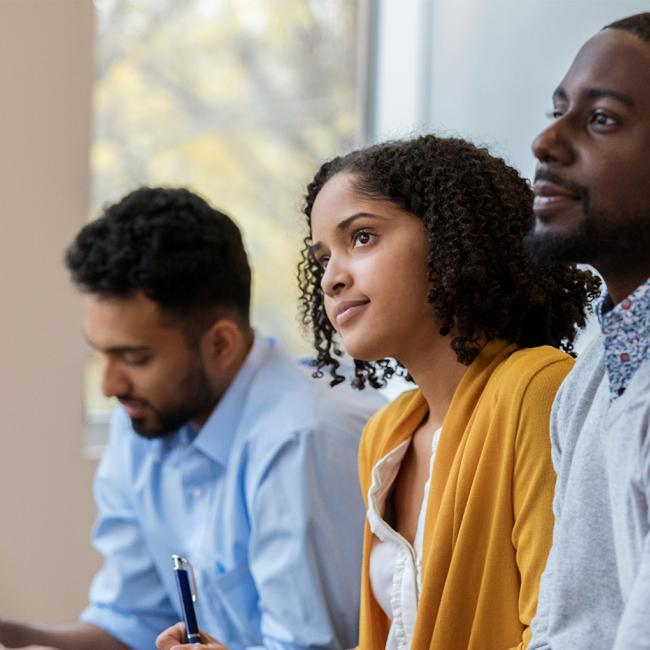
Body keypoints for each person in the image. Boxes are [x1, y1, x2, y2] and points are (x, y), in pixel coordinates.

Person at [157, 136, 599, 650]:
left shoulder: (537, 390)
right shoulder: (387, 436)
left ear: (454, 238)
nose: (331, 280)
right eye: (322, 259)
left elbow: (561, 634)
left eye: (362, 238)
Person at [0, 187, 385, 650]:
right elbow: (129, 624)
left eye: (135, 357)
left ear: (220, 345)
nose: (109, 385)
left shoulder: (305, 439)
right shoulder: (143, 420)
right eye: (101, 354)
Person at [524, 12, 650, 650]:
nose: (546, 141)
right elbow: (562, 624)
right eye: (558, 109)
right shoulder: (599, 359)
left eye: (602, 118)